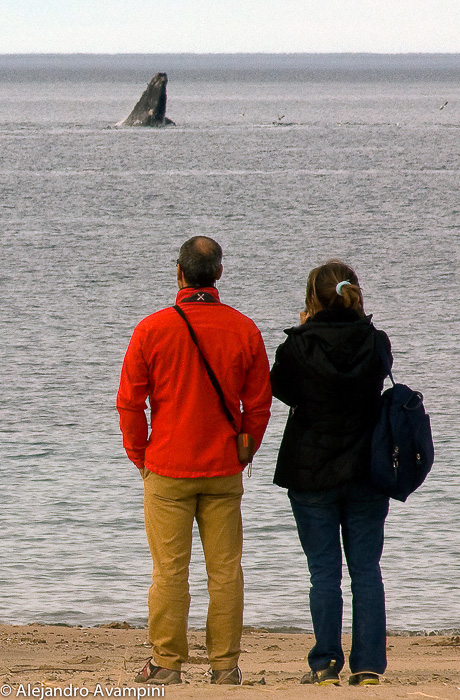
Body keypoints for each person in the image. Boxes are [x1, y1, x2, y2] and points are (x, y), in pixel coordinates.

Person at [117, 236, 271, 686]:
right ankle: (225, 667)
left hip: (166, 466)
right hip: (223, 467)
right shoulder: (244, 329)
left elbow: (130, 402)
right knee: (225, 572)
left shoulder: (152, 328)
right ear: (219, 273)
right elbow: (258, 406)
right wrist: (245, 452)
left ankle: (167, 663)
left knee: (169, 571)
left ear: (179, 273)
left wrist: (139, 456)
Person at [271, 259, 392, 687]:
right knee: (366, 570)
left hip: (311, 470)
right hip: (366, 468)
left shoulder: (298, 346)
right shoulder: (375, 341)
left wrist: (305, 330)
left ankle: (324, 665)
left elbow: (281, 389)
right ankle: (368, 666)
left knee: (323, 572)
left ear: (312, 300)